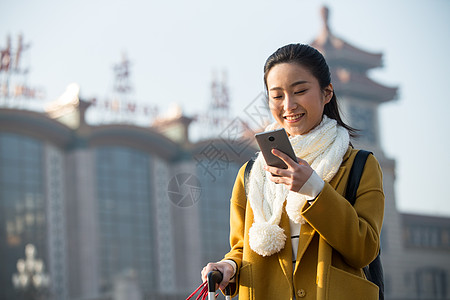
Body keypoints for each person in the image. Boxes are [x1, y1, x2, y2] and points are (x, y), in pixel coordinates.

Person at [200, 43, 384, 300]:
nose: (288, 105)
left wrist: (315, 189)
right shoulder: (251, 173)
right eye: (277, 96)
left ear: (327, 92)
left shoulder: (359, 165)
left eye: (300, 91)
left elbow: (364, 249)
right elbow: (242, 247)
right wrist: (228, 266)